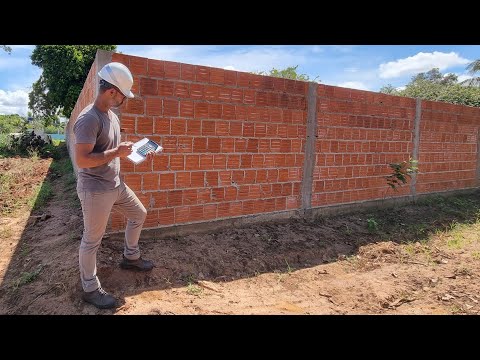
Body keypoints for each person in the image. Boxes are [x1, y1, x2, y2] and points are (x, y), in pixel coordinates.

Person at [73, 62, 156, 309]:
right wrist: (115, 152)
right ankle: (89, 287)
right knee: (92, 241)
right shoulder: (88, 119)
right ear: (111, 92)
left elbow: (110, 149)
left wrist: (132, 150)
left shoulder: (111, 116)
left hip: (116, 185)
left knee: (139, 214)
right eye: (122, 95)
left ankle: (130, 257)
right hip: (95, 189)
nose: (124, 100)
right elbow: (82, 159)